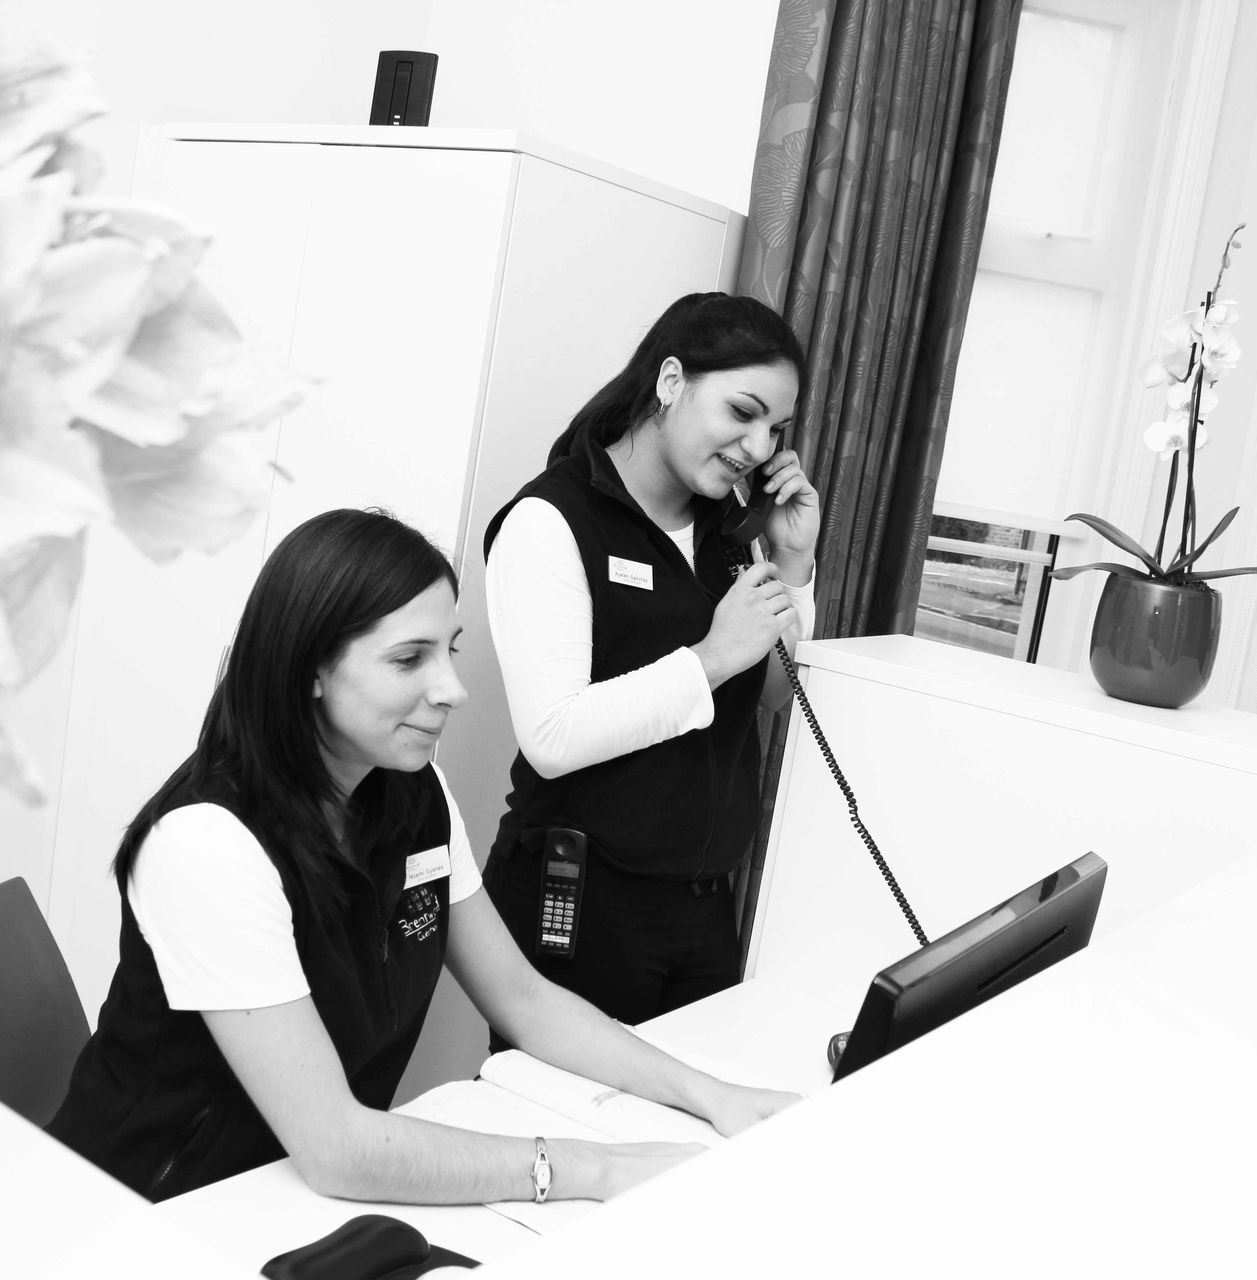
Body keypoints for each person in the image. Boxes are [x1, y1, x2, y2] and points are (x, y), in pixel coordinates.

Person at [46, 508, 798, 1205]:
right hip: (158, 1214)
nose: (453, 689)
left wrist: (709, 1096)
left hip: (297, 1203)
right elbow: (337, 1147)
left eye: (450, 651)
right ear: (309, 668)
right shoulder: (208, 844)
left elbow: (525, 1002)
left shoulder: (412, 793)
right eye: (409, 659)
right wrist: (594, 1169)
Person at [480, 292, 819, 1039]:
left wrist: (793, 567)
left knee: (693, 1145)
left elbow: (776, 696)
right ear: (671, 382)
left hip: (700, 910)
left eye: (776, 429)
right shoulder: (549, 522)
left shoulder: (728, 536)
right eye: (743, 412)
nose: (760, 448)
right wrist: (710, 657)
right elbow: (553, 734)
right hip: (582, 901)